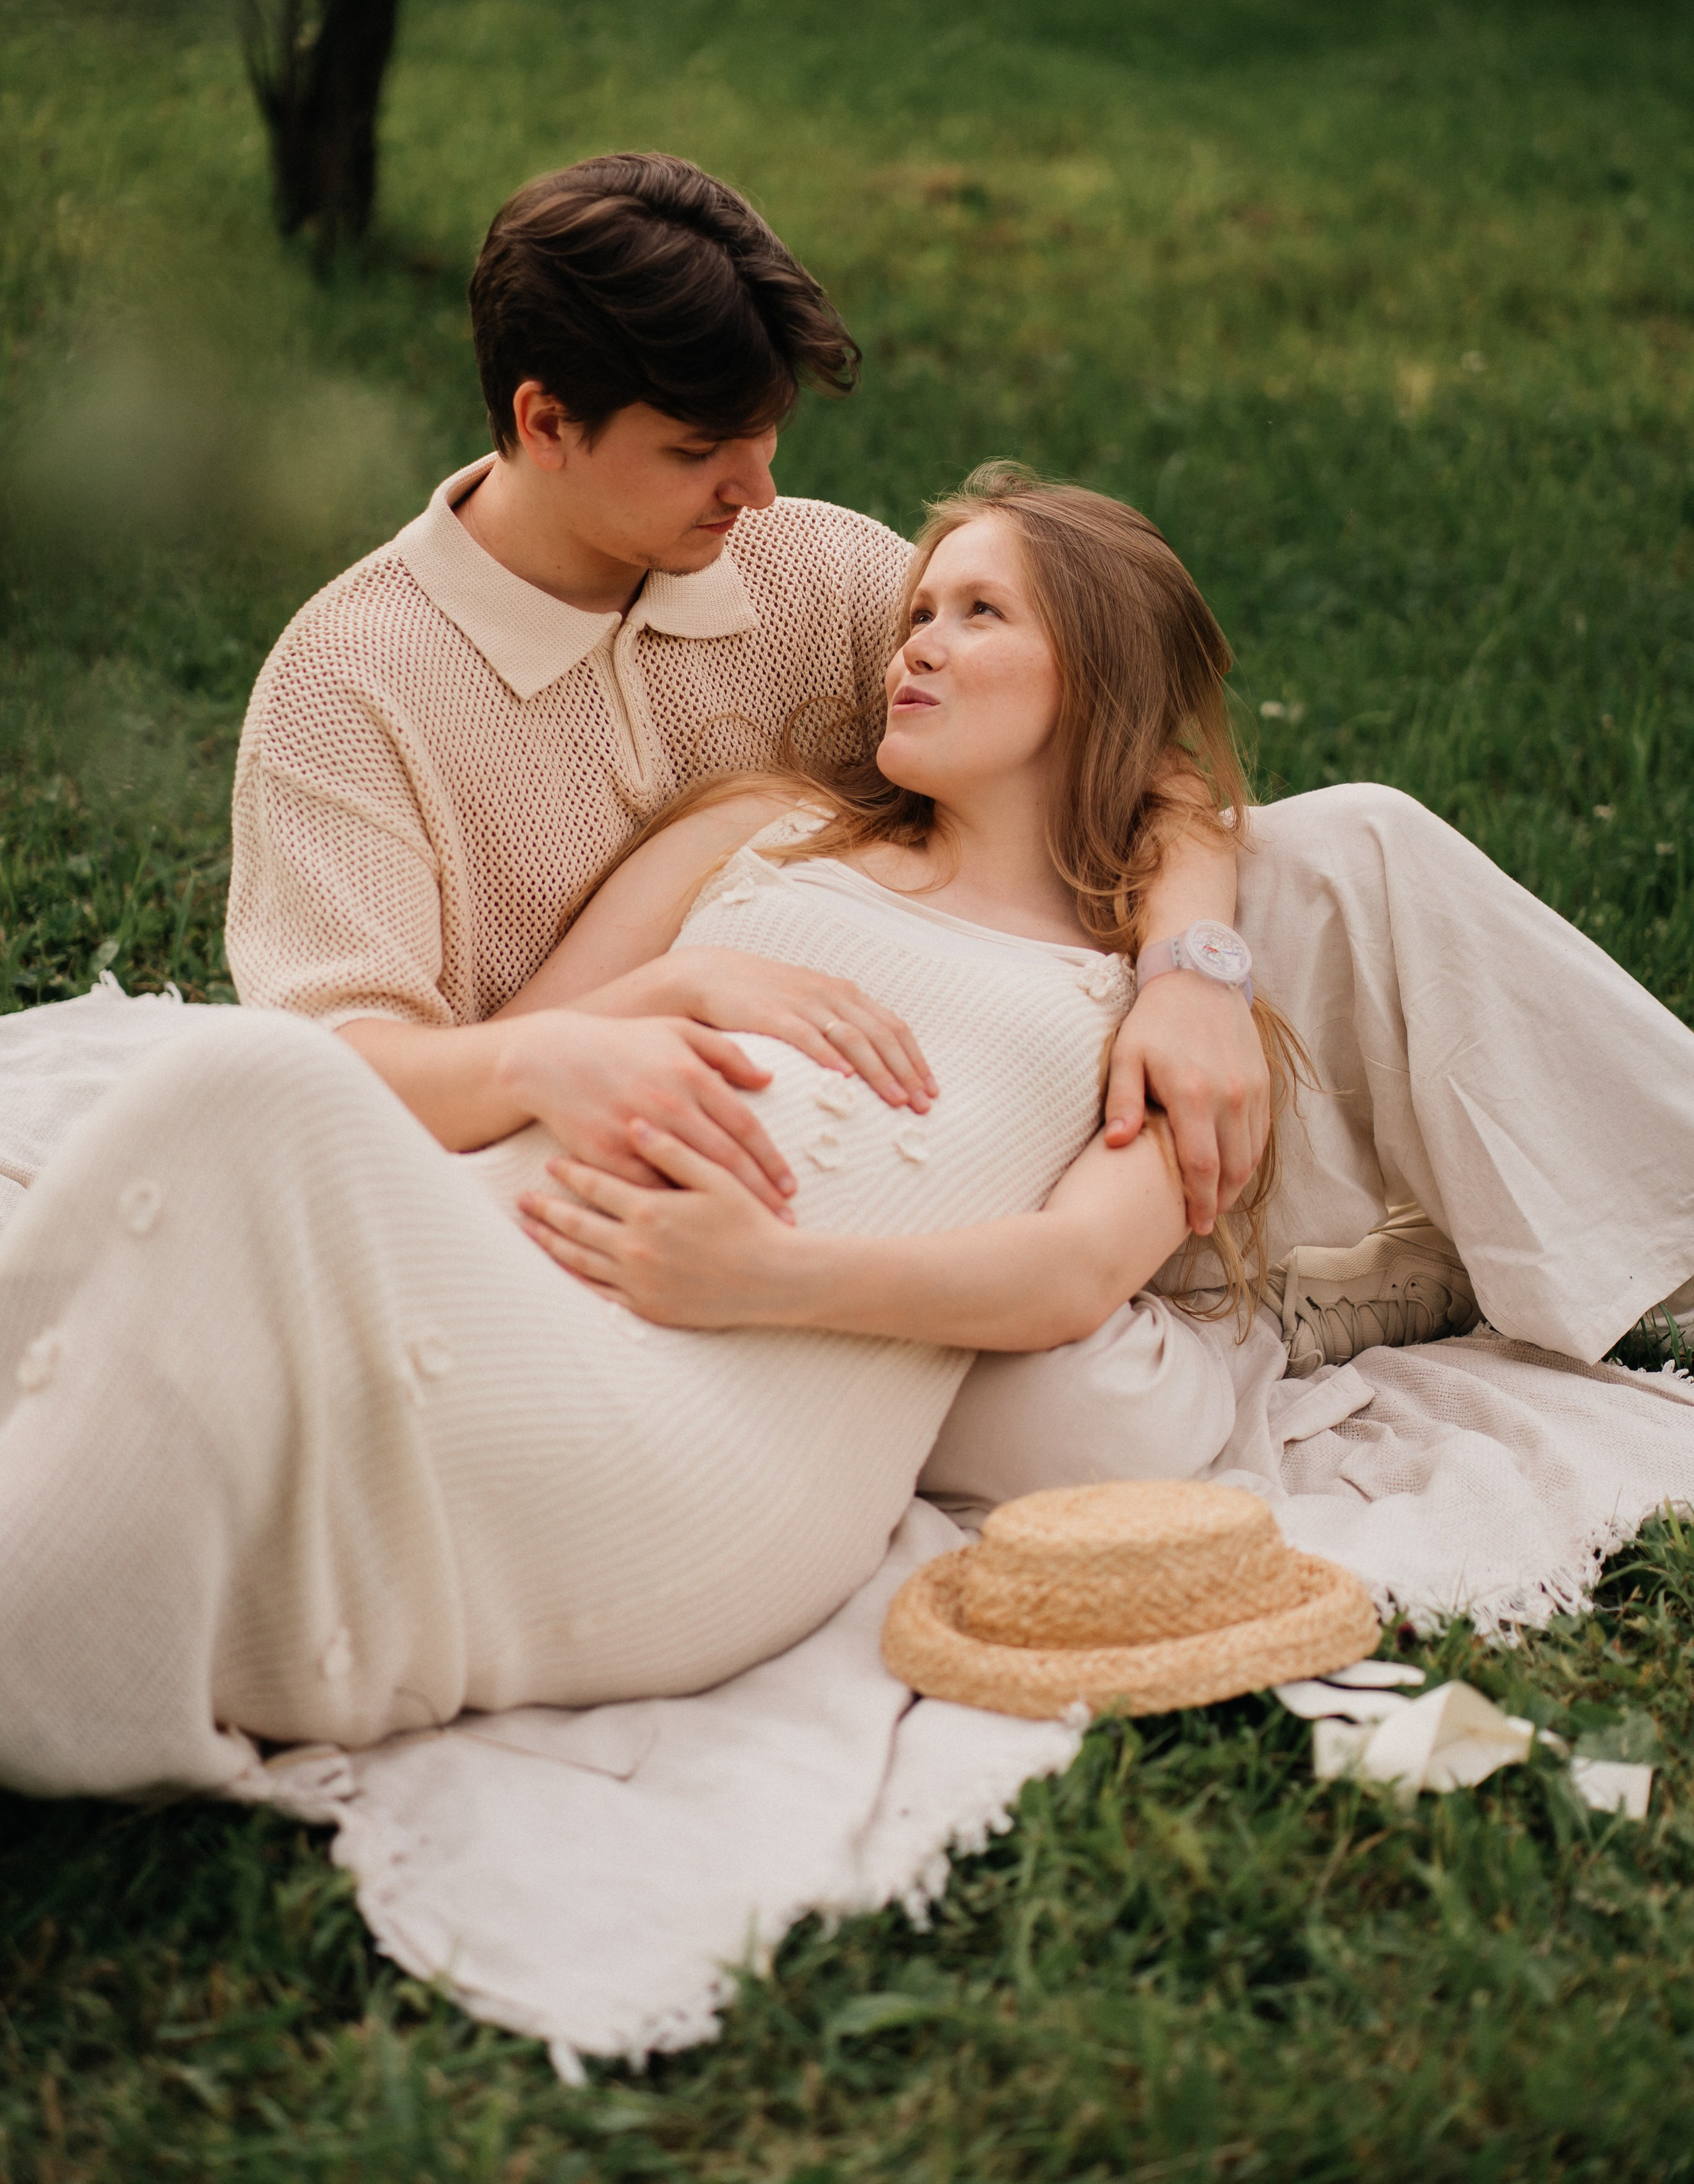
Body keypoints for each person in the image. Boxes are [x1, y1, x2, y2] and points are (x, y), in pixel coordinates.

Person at [3, 475, 1691, 1803]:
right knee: (238, 1099)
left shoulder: (1136, 996)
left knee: (233, 1110)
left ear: (1093, 681)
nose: (912, 645)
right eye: (914, 613)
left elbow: (1067, 1272)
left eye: (977, 614)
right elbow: (507, 1066)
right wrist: (679, 981)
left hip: (704, 1426)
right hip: (504, 1267)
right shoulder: (759, 830)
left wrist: (763, 1275)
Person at [226, 152, 1270, 1247]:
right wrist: (658, 997)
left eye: (767, 433)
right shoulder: (351, 687)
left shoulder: (820, 568)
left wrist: (1193, 972)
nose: (759, 490)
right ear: (545, 423)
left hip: (893, 1145)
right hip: (551, 1194)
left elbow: (1128, 750)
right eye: (697, 450)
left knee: (1339, 855)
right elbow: (333, 1077)